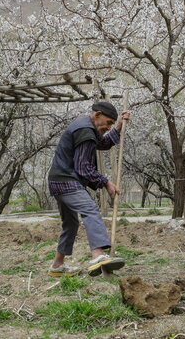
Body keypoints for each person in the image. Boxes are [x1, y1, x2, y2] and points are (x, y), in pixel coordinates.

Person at [47, 101, 130, 277]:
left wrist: (118, 127)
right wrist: (106, 183)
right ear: (97, 114)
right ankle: (97, 255)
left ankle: (57, 266)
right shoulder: (85, 131)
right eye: (108, 123)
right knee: (90, 210)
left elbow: (104, 143)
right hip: (66, 181)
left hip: (58, 180)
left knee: (71, 224)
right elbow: (83, 168)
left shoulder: (87, 127)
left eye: (110, 124)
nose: (108, 127)